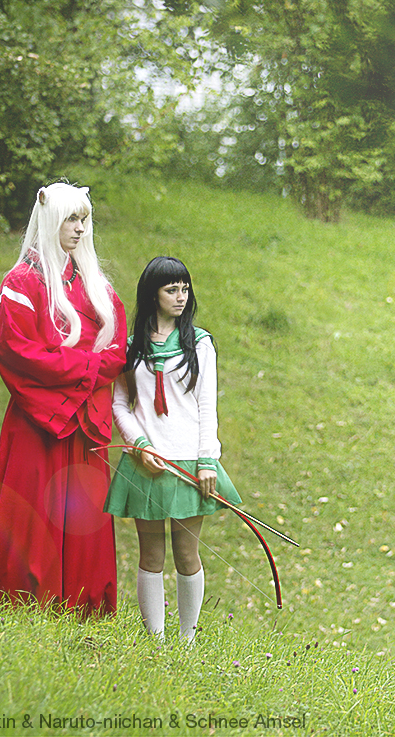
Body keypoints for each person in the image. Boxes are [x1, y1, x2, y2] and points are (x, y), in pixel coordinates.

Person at [0, 182, 127, 617]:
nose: (80, 229)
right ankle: (20, 600)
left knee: (85, 519)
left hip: (83, 423)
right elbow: (15, 351)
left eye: (84, 220)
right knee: (32, 512)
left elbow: (117, 348)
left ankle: (84, 606)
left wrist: (85, 373)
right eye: (71, 220)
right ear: (49, 220)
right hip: (39, 423)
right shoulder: (21, 282)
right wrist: (84, 369)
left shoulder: (96, 285)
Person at [105, 256, 241, 641]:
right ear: (152, 295)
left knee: (186, 553)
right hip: (146, 461)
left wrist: (206, 461)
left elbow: (205, 405)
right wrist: (140, 444)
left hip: (189, 461)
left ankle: (187, 641)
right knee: (151, 555)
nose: (180, 297)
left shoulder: (199, 344)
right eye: (171, 290)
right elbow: (119, 404)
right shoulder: (130, 348)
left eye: (184, 289)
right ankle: (155, 640)